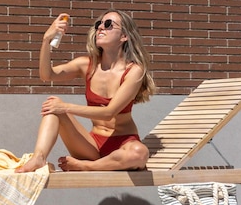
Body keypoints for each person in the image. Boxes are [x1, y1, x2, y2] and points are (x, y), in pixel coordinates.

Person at [16, 10, 156, 173]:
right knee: (53, 106)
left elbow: (109, 112)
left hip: (123, 144)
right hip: (92, 145)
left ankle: (85, 166)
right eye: (99, 24)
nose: (101, 28)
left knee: (139, 154)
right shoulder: (86, 65)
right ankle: (38, 158)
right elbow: (46, 75)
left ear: (124, 36)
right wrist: (47, 40)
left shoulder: (134, 71)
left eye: (108, 24)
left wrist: (66, 107)